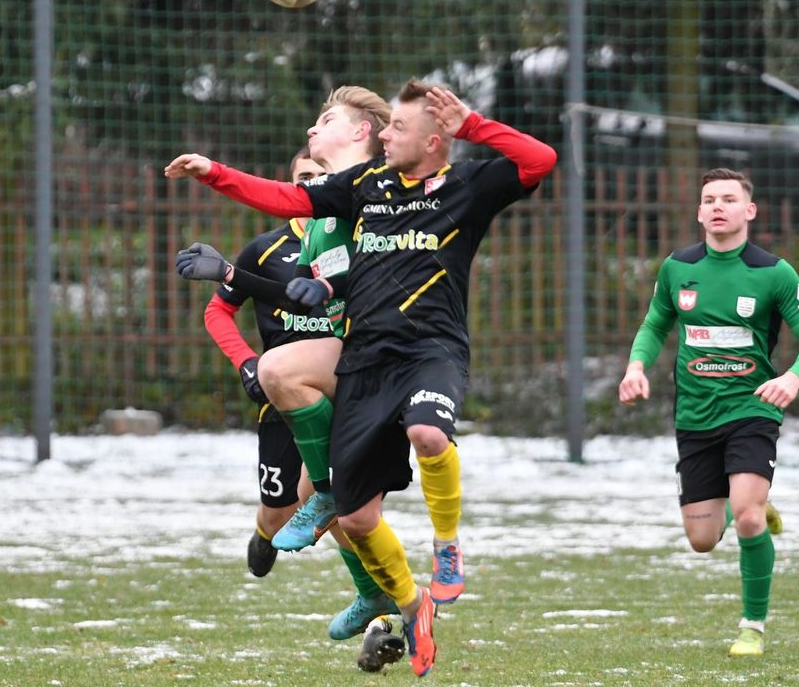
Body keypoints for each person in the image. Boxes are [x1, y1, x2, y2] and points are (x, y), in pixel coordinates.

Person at [165, 79, 558, 677]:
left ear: (424, 138)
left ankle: (444, 549)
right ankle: (403, 602)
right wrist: (215, 173)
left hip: (426, 352)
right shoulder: (360, 188)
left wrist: (472, 124)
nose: (384, 136)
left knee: (427, 435)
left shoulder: (462, 185)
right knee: (350, 517)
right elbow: (290, 210)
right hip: (362, 360)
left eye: (397, 129)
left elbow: (539, 160)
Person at [178, 87, 404, 646]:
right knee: (339, 512)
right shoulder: (317, 230)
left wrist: (214, 177)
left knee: (339, 501)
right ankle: (380, 598)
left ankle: (413, 605)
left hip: (381, 363)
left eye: (324, 120)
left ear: (359, 135)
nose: (311, 130)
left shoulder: (379, 191)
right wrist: (233, 275)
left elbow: (368, 278)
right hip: (329, 370)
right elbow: (306, 295)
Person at [617, 167, 799, 657]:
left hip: (753, 410)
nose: (718, 206)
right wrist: (636, 367)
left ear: (748, 210)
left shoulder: (773, 272)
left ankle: (752, 626)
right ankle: (747, 500)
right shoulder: (677, 267)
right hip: (694, 415)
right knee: (701, 539)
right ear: (698, 212)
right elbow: (654, 325)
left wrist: (792, 378)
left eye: (729, 199)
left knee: (750, 522)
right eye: (709, 199)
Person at [188, 148, 324, 578]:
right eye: (306, 174)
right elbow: (217, 311)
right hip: (280, 394)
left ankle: (380, 609)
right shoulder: (265, 251)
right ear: (291, 185)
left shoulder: (359, 244)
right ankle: (264, 533)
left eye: (326, 174)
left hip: (343, 388)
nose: (316, 181)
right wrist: (247, 362)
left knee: (343, 501)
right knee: (281, 512)